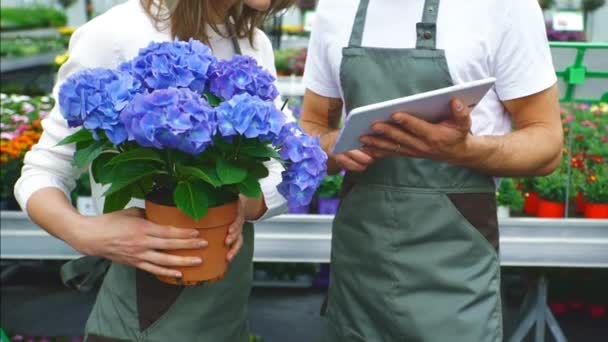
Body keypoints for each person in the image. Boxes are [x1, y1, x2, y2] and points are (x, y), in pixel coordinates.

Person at [13, 0, 293, 340]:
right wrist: (84, 233)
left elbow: (281, 160)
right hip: (143, 304)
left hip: (226, 306)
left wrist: (245, 203)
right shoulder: (117, 32)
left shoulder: (251, 42)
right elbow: (43, 170)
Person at [300, 0, 563, 341]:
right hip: (358, 275)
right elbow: (312, 124)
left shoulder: (504, 6)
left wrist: (465, 150)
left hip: (454, 277)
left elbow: (547, 143)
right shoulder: (336, 7)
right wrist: (332, 147)